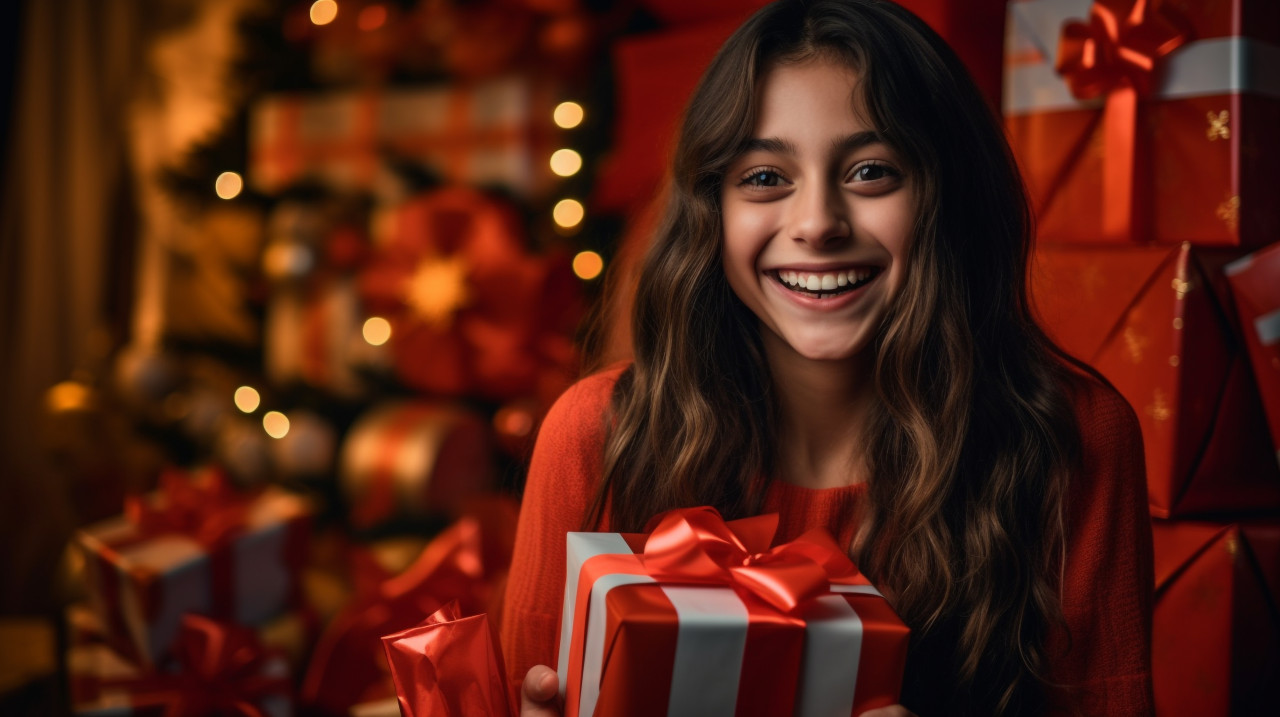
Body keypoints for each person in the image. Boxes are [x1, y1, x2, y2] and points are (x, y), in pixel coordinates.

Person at [500, 1, 1154, 715]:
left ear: (947, 195)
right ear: (710, 208)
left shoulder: (1073, 437)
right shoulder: (598, 434)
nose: (816, 223)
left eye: (872, 171)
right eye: (764, 177)